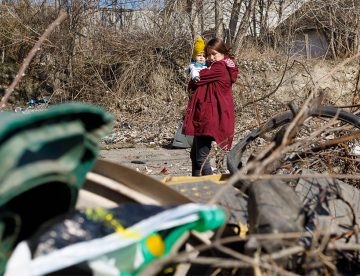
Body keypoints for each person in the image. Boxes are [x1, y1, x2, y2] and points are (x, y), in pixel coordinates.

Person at [182, 38, 239, 176]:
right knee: (195, 155)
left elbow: (197, 79)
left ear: (222, 53)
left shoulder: (220, 67)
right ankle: (196, 184)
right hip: (206, 115)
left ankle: (207, 188)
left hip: (210, 117)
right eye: (208, 55)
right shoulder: (215, 65)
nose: (211, 58)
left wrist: (195, 70)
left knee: (201, 158)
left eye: (214, 54)